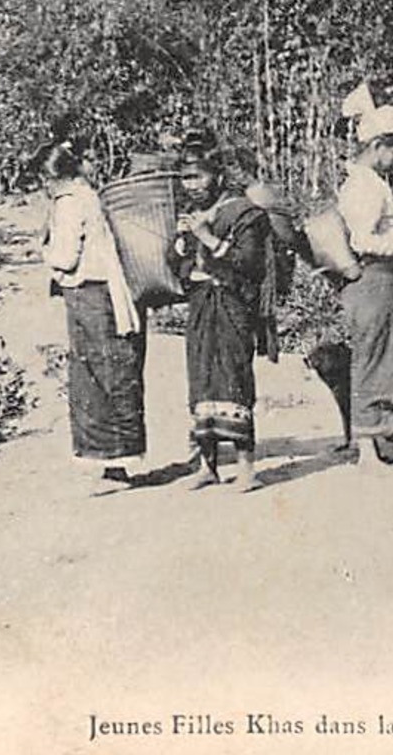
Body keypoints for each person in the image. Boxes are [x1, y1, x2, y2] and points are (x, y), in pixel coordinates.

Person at [168, 137, 276, 492]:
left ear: (216, 175)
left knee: (234, 378)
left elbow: (249, 263)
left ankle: (246, 467)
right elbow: (177, 265)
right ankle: (207, 465)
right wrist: (183, 244)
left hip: (232, 305)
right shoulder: (191, 215)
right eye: (185, 178)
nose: (192, 185)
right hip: (202, 304)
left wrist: (208, 238)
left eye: (198, 176)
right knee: (201, 379)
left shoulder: (244, 212)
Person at [40, 141, 147, 483]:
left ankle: (113, 460)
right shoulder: (88, 194)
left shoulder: (69, 203)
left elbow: (66, 257)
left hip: (89, 295)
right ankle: (117, 459)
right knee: (111, 371)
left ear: (51, 177)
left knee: (96, 378)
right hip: (101, 294)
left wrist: (44, 253)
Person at [336, 82, 393, 470]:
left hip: (382, 283)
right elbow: (361, 239)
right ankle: (367, 447)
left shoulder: (372, 183)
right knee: (373, 357)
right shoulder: (364, 185)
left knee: (387, 353)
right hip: (373, 281)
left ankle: (377, 439)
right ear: (376, 147)